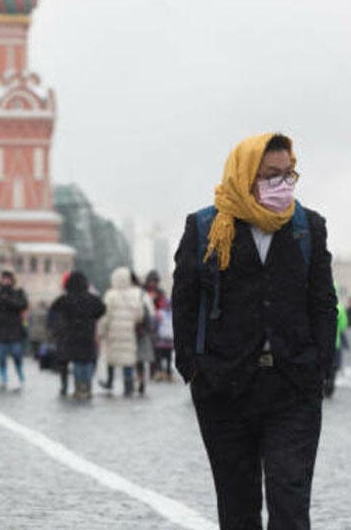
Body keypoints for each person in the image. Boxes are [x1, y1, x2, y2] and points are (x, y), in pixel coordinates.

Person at [172, 133, 336, 530]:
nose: (282, 185)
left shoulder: (307, 228)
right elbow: (185, 301)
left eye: (288, 175)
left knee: (290, 502)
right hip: (224, 388)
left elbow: (322, 303)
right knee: (238, 506)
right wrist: (194, 369)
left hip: (292, 386)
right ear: (245, 176)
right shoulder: (205, 228)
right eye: (270, 176)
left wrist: (319, 368)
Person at [49, 271, 106, 399]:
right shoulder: (91, 299)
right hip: (88, 334)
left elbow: (53, 312)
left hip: (72, 336)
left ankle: (79, 387)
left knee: (78, 363)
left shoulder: (64, 299)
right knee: (88, 362)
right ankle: (87, 386)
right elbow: (102, 309)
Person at [97, 267, 144, 397]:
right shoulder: (135, 294)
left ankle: (110, 381)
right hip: (129, 333)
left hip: (113, 334)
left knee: (111, 359)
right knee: (127, 360)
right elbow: (139, 315)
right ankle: (128, 385)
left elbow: (105, 316)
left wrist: (101, 331)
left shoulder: (110, 295)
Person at [0, 270, 29, 391]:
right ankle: (3, 378)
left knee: (17, 354)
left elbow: (23, 305)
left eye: (8, 279)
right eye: (3, 279)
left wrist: (8, 301)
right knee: (1, 357)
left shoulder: (18, 293)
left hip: (15, 329)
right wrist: (0, 301)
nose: (5, 281)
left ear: (12, 280)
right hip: (0, 330)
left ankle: (20, 376)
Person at [132, 272, 156, 396]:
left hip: (128, 329)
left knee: (131, 358)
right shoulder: (143, 294)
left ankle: (132, 381)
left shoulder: (124, 293)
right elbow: (152, 313)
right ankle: (141, 380)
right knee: (140, 358)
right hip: (141, 330)